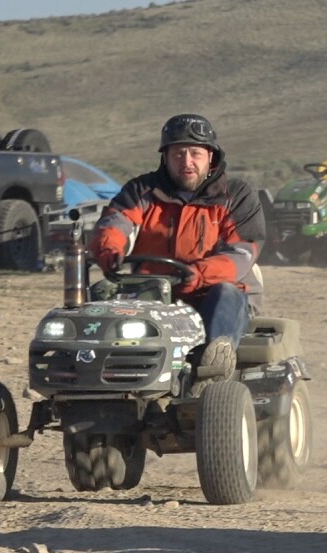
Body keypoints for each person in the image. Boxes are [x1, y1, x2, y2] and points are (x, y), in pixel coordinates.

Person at [89, 113, 266, 391]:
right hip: (153, 294)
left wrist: (198, 274)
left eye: (195, 153)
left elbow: (242, 252)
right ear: (165, 157)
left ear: (211, 156)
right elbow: (115, 223)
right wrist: (109, 250)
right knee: (100, 294)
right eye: (178, 154)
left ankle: (212, 371)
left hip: (210, 293)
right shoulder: (142, 190)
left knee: (226, 293)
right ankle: (97, 373)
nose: (187, 162)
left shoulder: (237, 195)